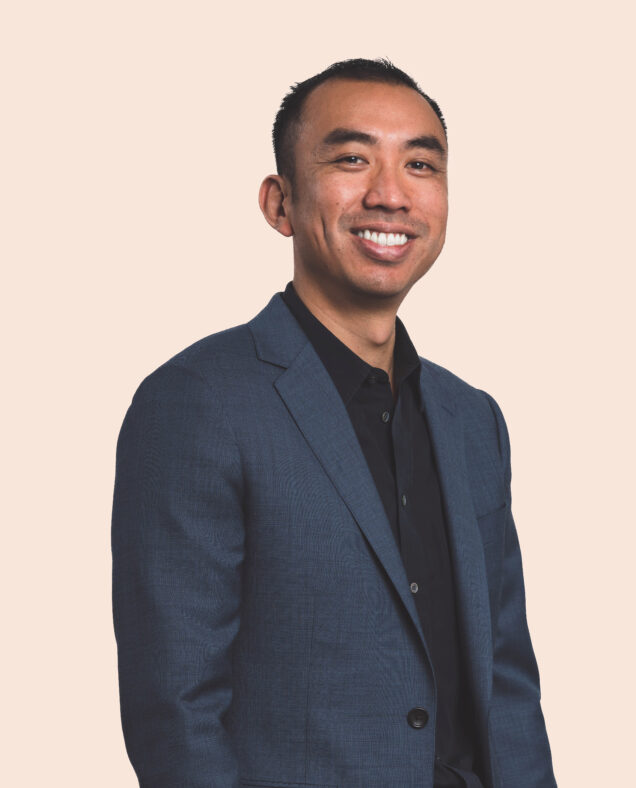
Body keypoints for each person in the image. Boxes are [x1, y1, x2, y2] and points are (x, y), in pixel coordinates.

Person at [111, 58, 556, 788]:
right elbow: (176, 715)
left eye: (420, 165)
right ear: (279, 202)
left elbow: (508, 685)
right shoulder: (197, 403)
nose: (390, 194)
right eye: (352, 159)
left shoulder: (472, 420)